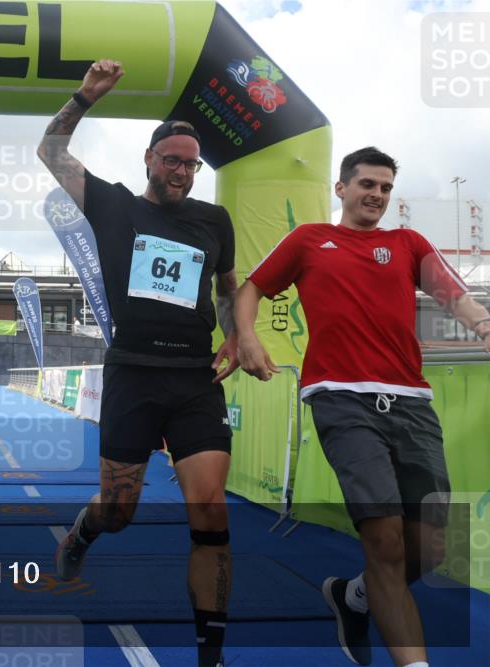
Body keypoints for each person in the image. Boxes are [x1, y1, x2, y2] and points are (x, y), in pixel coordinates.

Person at [236, 147, 490, 667]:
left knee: (433, 549)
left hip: (412, 403)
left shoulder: (407, 243)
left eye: (385, 188)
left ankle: (353, 597)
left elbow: (453, 294)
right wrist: (246, 338)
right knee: (385, 541)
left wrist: (483, 325)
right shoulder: (308, 240)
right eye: (367, 184)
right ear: (342, 189)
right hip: (339, 397)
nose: (376, 195)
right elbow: (251, 290)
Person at [37, 59, 240, 667]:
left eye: (191, 163)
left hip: (196, 378)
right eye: (172, 159)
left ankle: (211, 653)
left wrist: (239, 335)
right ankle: (83, 533)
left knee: (211, 515)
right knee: (119, 511)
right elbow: (51, 150)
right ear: (150, 159)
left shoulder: (213, 219)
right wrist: (84, 98)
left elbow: (227, 288)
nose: (181, 171)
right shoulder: (114, 205)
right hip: (133, 373)